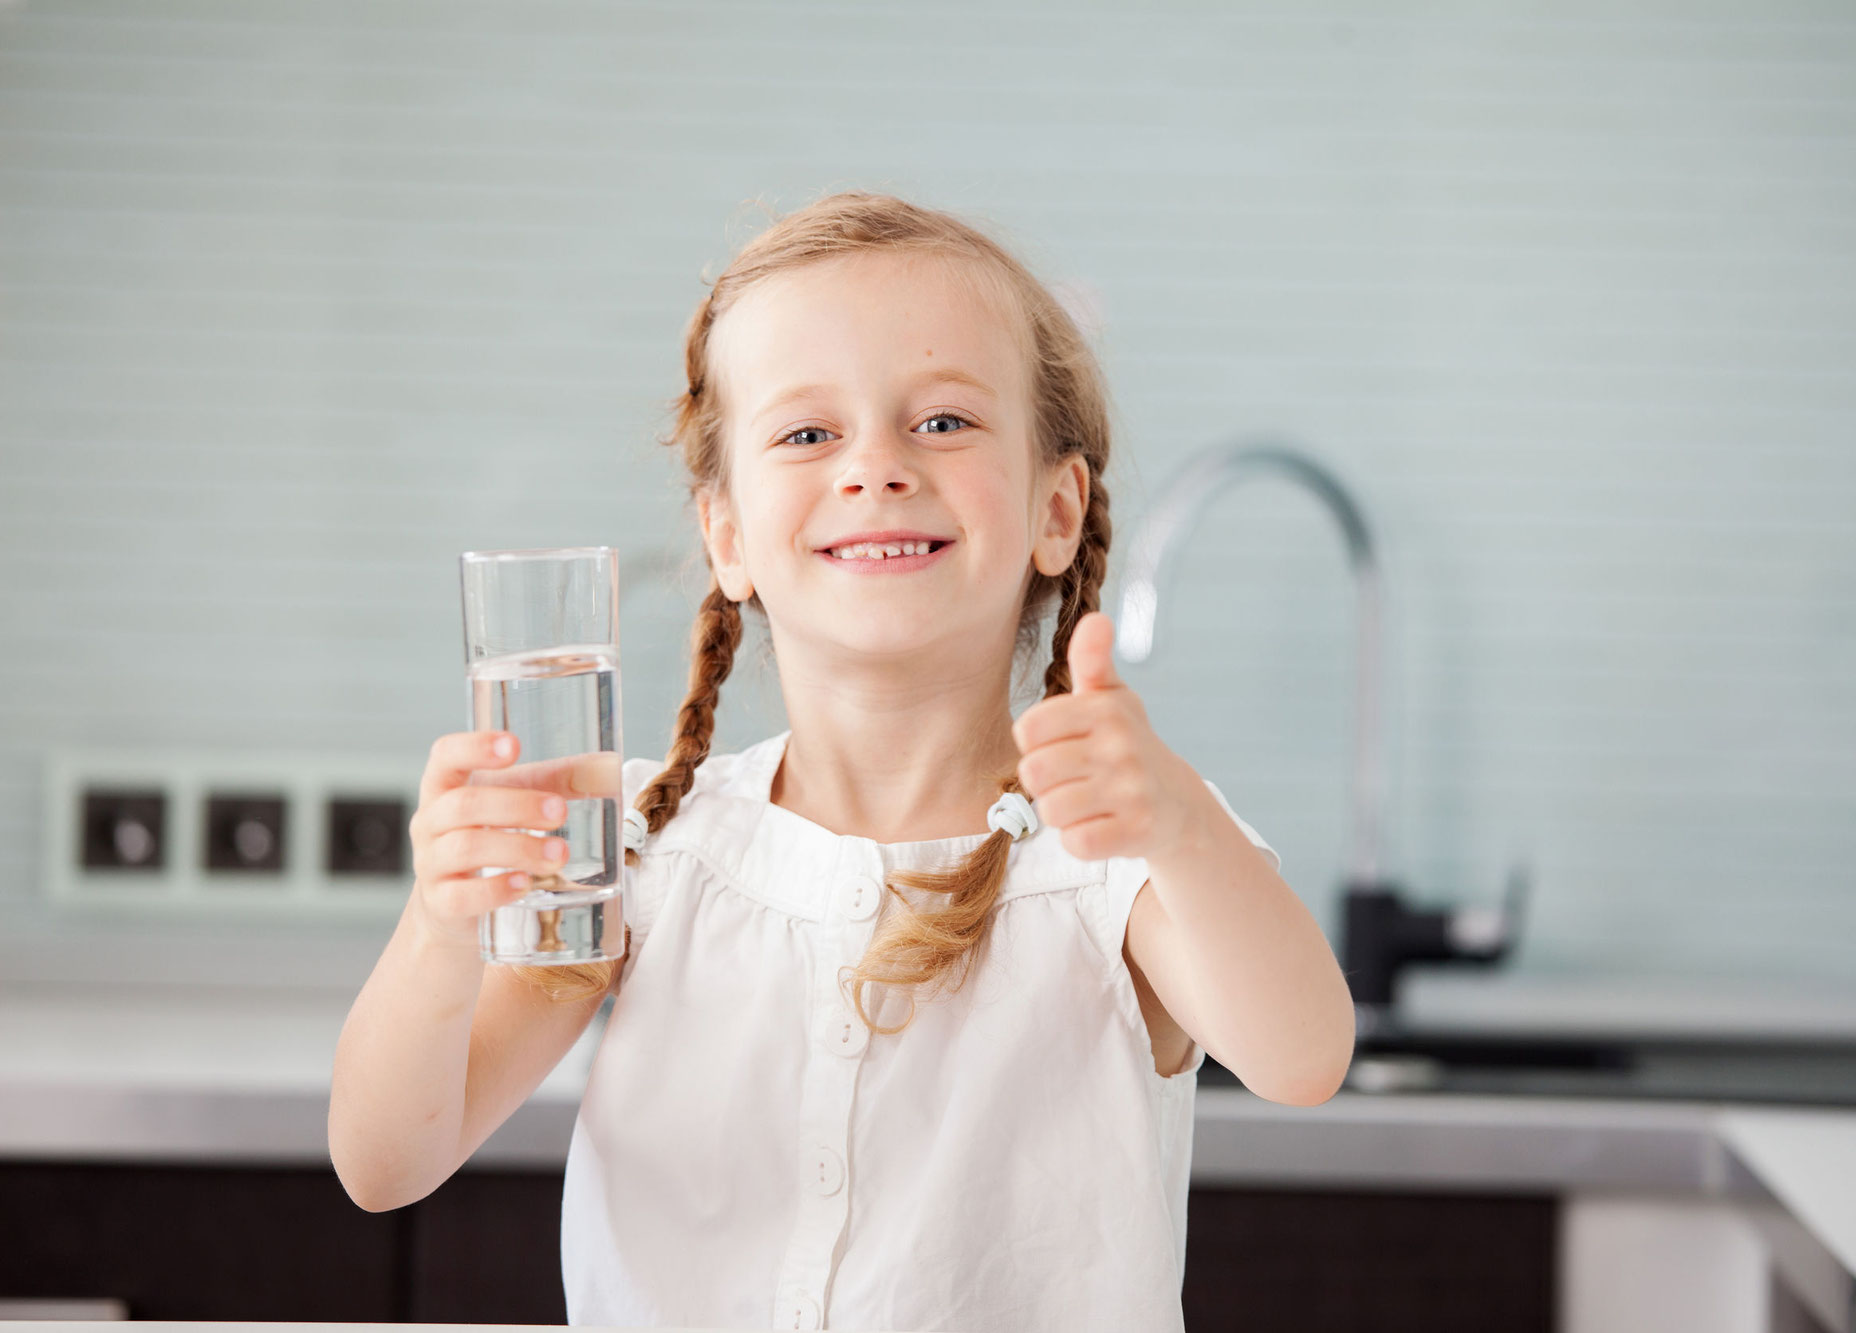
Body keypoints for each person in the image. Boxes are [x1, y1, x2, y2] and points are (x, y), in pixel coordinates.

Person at [329, 190, 1354, 1332]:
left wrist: (1182, 827)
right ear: (727, 535)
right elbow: (386, 1160)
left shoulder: (1117, 853)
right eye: (808, 433)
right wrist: (435, 926)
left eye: (943, 422)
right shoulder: (651, 848)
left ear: (1054, 510)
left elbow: (1302, 1054)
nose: (874, 465)